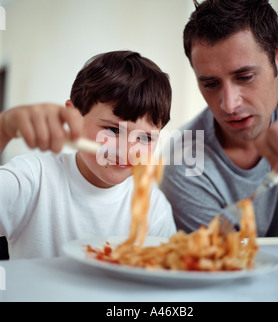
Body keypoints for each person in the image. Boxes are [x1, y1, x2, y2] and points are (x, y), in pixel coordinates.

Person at [0, 50, 176, 259]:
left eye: (145, 138)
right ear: (73, 116)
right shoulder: (33, 179)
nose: (127, 151)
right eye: (113, 130)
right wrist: (3, 129)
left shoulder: (154, 207)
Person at [160, 0, 278, 238]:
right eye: (211, 84)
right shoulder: (184, 165)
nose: (229, 104)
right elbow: (230, 267)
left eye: (244, 77)